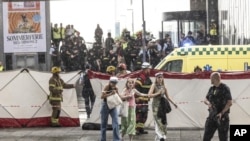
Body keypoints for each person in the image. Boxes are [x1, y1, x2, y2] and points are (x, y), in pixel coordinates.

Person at [203, 72, 232, 141]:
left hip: (222, 118)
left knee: (223, 138)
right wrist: (208, 103)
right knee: (206, 138)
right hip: (211, 117)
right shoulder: (212, 89)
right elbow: (205, 99)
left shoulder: (225, 88)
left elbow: (229, 103)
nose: (210, 80)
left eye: (211, 78)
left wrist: (221, 113)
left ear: (215, 78)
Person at [148, 72, 177, 141]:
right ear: (156, 78)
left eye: (161, 77)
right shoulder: (153, 85)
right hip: (155, 105)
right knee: (157, 120)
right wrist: (157, 93)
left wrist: (174, 103)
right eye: (158, 77)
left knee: (162, 121)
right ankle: (160, 136)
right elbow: (149, 95)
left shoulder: (164, 86)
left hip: (162, 105)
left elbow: (168, 97)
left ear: (163, 78)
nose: (160, 79)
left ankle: (159, 136)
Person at [134, 62, 152, 135]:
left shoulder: (148, 79)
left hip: (145, 100)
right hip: (140, 100)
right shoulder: (140, 78)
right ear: (145, 69)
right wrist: (137, 97)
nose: (149, 70)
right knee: (139, 114)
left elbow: (151, 88)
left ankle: (141, 129)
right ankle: (136, 130)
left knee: (144, 115)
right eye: (148, 69)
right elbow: (135, 88)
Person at [100, 76, 120, 141]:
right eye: (112, 83)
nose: (113, 84)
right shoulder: (106, 86)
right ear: (110, 82)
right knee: (104, 124)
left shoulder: (116, 88)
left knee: (116, 122)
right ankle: (103, 139)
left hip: (113, 106)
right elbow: (102, 96)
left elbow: (118, 96)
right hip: (105, 105)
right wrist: (111, 93)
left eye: (115, 83)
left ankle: (116, 139)